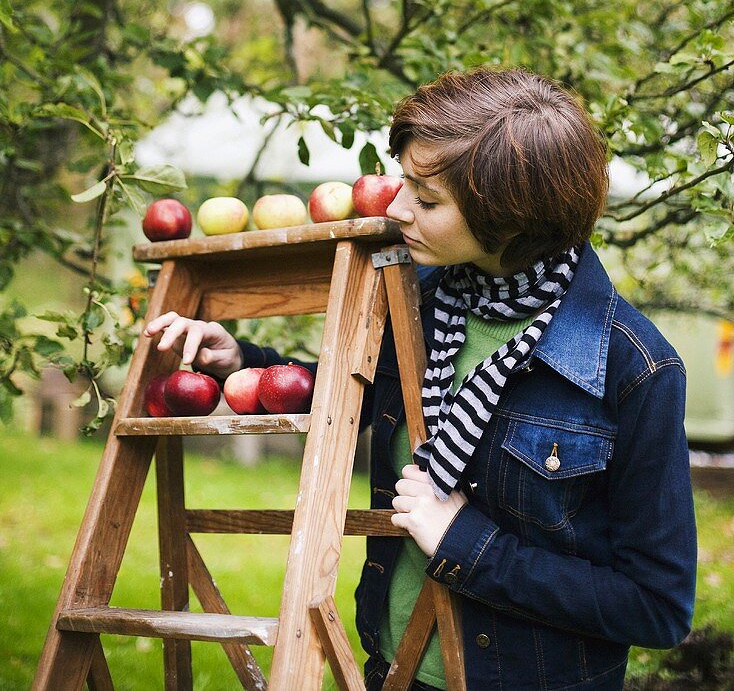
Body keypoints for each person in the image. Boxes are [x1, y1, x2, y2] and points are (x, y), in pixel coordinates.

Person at [144, 67, 697, 691]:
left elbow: (657, 605)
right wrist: (240, 361)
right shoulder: (422, 303)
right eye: (404, 183)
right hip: (391, 668)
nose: (397, 208)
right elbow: (363, 390)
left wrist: (467, 543)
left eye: (427, 200)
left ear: (510, 217)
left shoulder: (635, 368)